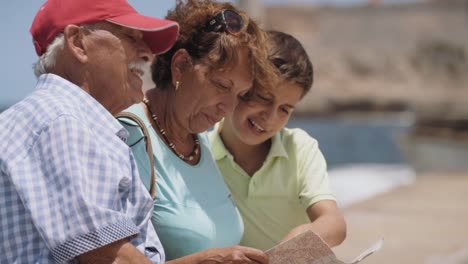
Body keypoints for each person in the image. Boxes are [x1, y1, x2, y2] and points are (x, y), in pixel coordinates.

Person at [0, 0, 179, 263]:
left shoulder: (65, 118)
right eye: (131, 37)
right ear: (77, 43)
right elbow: (107, 256)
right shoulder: (61, 120)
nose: (148, 54)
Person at [119, 0, 276, 262]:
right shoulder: (128, 137)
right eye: (222, 85)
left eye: (240, 93)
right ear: (180, 66)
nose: (228, 106)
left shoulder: (198, 137)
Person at [208, 31, 347, 251]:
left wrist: (296, 241)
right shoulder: (200, 153)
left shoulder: (300, 148)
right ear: (240, 86)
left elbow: (334, 224)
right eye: (263, 98)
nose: (270, 118)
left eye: (284, 109)